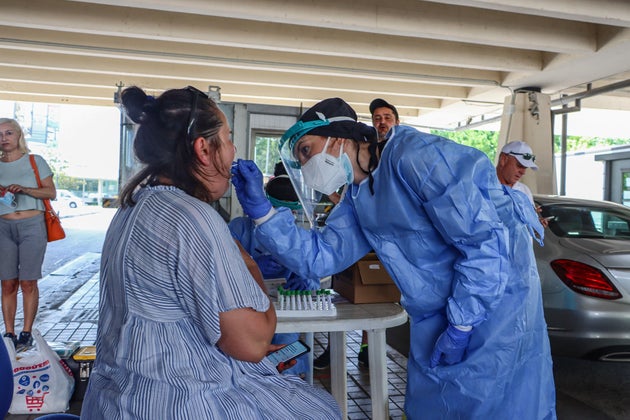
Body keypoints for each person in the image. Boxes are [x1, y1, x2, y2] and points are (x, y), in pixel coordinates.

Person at [231, 97, 556, 419]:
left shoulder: (415, 156)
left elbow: (485, 244)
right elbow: (321, 256)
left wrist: (462, 322)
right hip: (438, 316)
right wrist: (264, 214)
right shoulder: (358, 195)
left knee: (499, 407)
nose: (305, 167)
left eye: (306, 151)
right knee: (434, 406)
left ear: (338, 138)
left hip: (495, 311)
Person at [81, 86, 341, 419]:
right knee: (321, 409)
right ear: (204, 149)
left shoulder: (132, 206)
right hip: (177, 403)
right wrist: (244, 259)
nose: (233, 152)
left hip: (116, 399)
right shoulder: (192, 216)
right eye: (229, 138)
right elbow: (254, 344)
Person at [228, 161, 320, 377]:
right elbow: (219, 269)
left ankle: (288, 391)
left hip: (285, 314)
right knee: (247, 360)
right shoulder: (239, 229)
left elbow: (315, 273)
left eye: (289, 216)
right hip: (246, 313)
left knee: (288, 350)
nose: (280, 225)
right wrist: (250, 268)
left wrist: (305, 279)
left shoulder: (295, 235)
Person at [0, 118, 57, 351]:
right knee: (7, 283)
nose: (4, 138)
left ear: (19, 135)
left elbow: (50, 193)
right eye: (0, 134)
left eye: (9, 133)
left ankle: (26, 332)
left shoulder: (35, 161)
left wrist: (24, 189)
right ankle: (9, 333)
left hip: (32, 225)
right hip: (3, 226)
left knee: (28, 282)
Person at [496, 140, 549, 227]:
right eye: (519, 166)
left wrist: (536, 226)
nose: (523, 172)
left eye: (526, 168)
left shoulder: (524, 191)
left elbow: (528, 229)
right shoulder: (484, 188)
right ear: (503, 159)